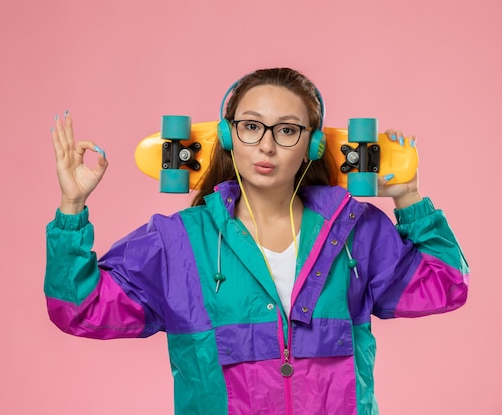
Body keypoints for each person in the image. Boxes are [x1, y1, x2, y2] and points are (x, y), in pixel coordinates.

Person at [45, 67, 469, 415]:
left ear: (313, 145)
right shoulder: (179, 242)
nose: (266, 145)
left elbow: (447, 285)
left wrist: (408, 197)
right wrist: (71, 206)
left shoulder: (355, 232)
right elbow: (78, 309)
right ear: (229, 137)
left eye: (287, 130)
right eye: (251, 127)